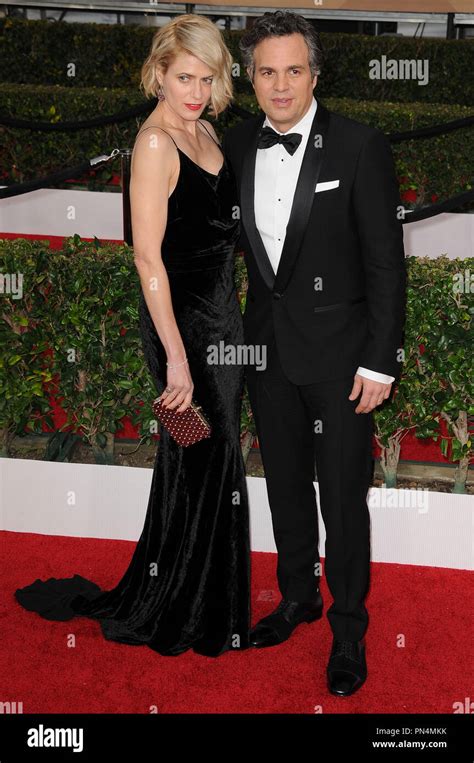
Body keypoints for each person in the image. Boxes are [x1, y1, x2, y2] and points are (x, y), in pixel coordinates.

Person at [15, 14, 251, 658]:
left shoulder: (206, 130)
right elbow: (148, 259)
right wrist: (176, 357)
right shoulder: (154, 144)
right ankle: (186, 606)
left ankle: (202, 599)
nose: (195, 92)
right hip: (182, 329)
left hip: (223, 318)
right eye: (183, 78)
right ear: (158, 73)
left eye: (206, 78)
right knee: (205, 453)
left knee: (213, 460)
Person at [223, 10, 406, 694]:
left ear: (315, 73)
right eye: (266, 71)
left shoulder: (359, 146)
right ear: (250, 76)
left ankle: (349, 632)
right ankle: (296, 597)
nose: (280, 85)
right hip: (267, 354)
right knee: (287, 490)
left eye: (293, 70)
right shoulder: (238, 143)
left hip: (341, 360)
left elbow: (386, 263)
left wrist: (380, 359)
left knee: (344, 502)